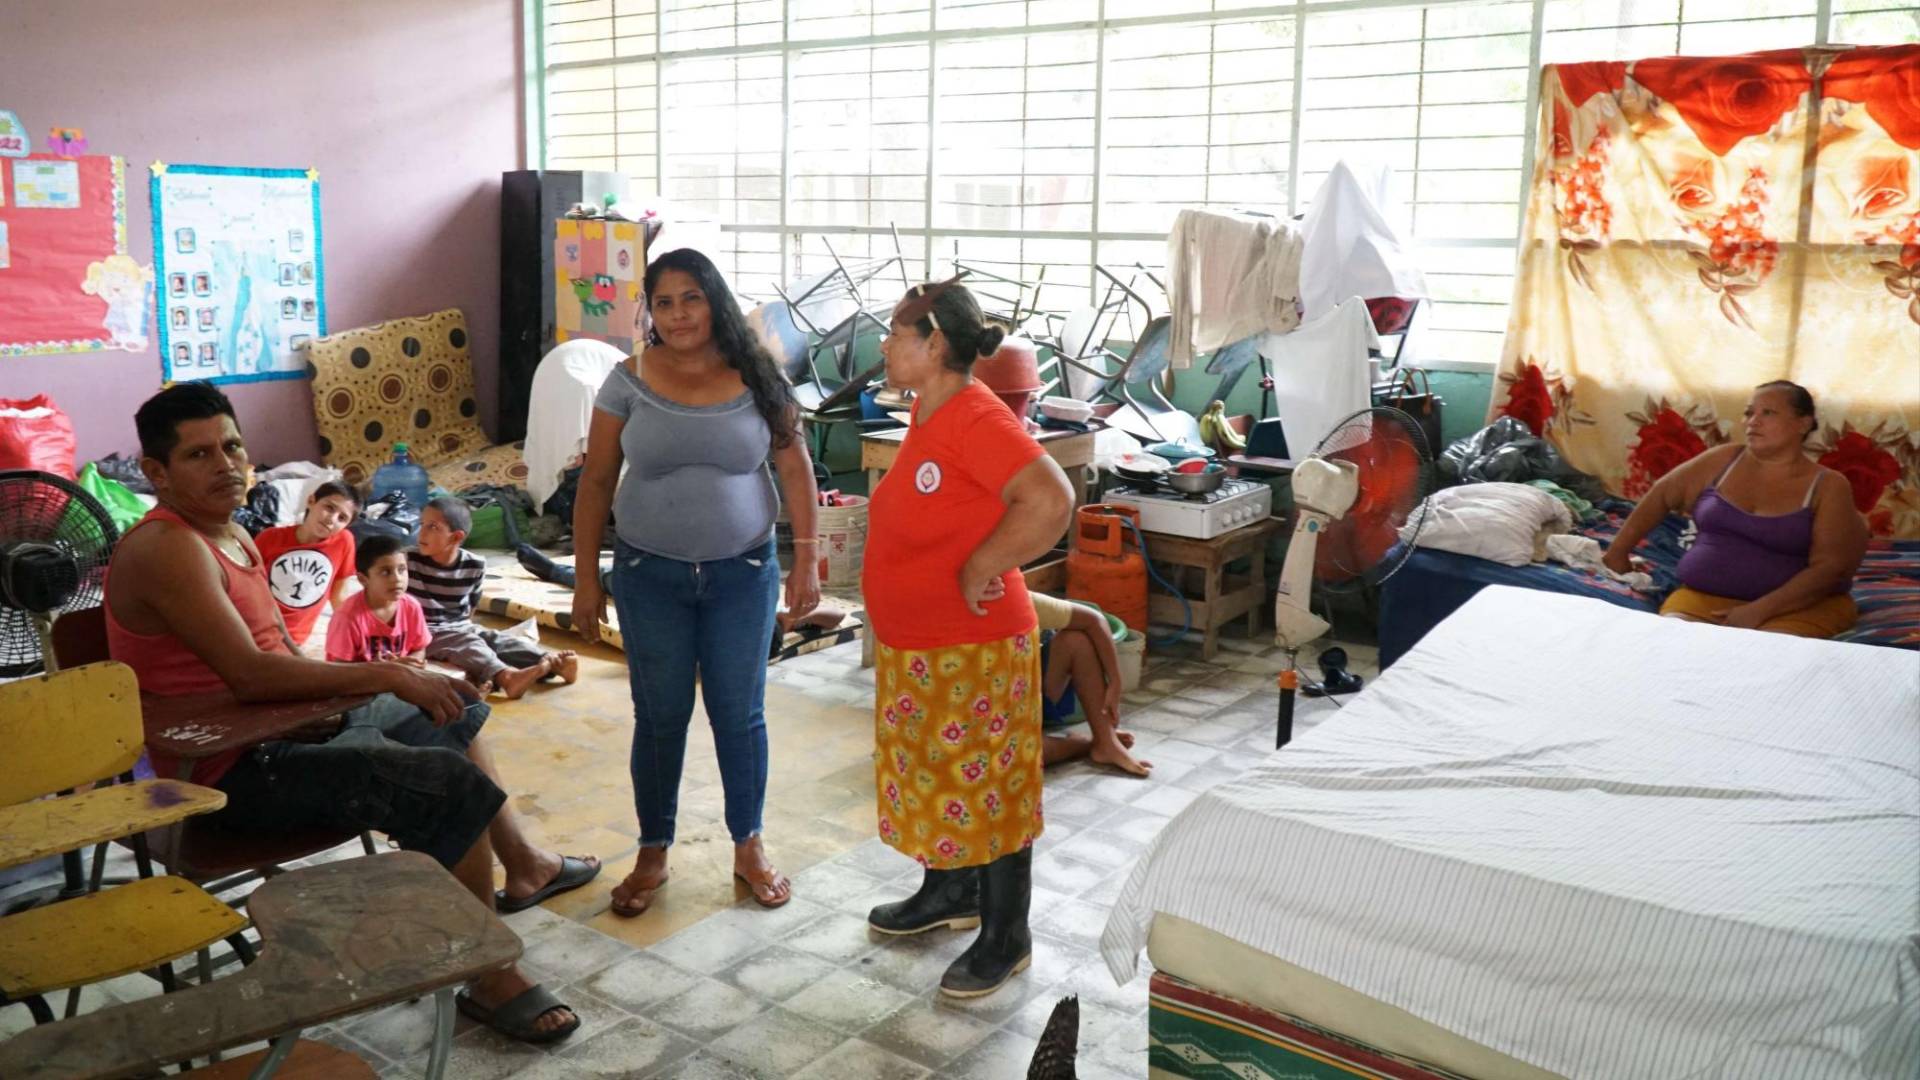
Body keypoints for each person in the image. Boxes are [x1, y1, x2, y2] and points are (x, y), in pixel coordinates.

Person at [105, 384, 600, 1043]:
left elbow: (274, 652)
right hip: (218, 775)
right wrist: (386, 674)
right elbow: (251, 675)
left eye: (232, 446)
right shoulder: (169, 548)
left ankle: (525, 863)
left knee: (450, 704)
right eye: (199, 454)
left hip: (278, 731)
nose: (226, 464)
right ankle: (489, 974)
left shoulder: (232, 532)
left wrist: (375, 687)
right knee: (443, 782)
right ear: (156, 473)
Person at [570, 248, 822, 915]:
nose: (678, 314)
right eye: (664, 302)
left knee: (740, 713)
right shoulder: (626, 381)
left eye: (692, 298)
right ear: (648, 311)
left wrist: (807, 559)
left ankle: (749, 846)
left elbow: (795, 468)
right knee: (659, 716)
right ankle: (654, 851)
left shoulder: (757, 374)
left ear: (714, 300)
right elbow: (596, 481)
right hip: (648, 575)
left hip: (743, 572)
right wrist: (585, 582)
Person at [860, 278, 1074, 998]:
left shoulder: (977, 416)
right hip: (923, 646)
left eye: (896, 331)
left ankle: (1007, 934)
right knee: (938, 777)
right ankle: (950, 892)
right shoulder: (931, 408)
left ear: (936, 343)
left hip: (973, 646)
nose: (884, 343)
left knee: (990, 788)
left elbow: (1050, 498)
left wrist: (987, 562)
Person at [1603, 380, 1867, 637]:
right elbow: (1661, 495)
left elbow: (1829, 569)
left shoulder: (1828, 485)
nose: (1753, 421)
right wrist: (1618, 553)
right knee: (1671, 646)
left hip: (1799, 608)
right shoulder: (1723, 459)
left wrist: (1757, 611)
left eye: (1768, 413)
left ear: (1803, 423)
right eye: (1749, 413)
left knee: (1763, 658)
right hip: (1703, 599)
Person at [411, 497, 579, 698]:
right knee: (467, 645)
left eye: (433, 527)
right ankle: (506, 677)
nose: (422, 532)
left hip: (459, 626)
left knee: (495, 640)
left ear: (456, 537)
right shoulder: (408, 561)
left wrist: (468, 630)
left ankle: (554, 663)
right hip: (424, 631)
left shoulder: (475, 565)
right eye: (422, 524)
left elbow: (470, 608)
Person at [1031, 591, 1151, 777]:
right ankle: (1082, 745)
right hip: (993, 716)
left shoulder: (1020, 599)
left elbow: (1094, 619)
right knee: (1017, 756)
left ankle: (1106, 741)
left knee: (1076, 639)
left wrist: (1115, 682)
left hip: (1032, 697)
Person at [253, 480, 357, 648]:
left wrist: (357, 630)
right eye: (329, 507)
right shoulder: (269, 537)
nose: (332, 519)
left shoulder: (344, 541)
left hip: (295, 639)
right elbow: (247, 588)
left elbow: (339, 596)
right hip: (257, 629)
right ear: (311, 501)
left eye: (342, 518)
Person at [326, 533, 431, 665]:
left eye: (402, 569)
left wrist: (412, 662)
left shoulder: (412, 607)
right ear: (363, 579)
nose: (397, 579)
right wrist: (375, 672)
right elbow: (338, 670)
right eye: (385, 572)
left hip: (397, 678)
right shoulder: (347, 617)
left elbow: (420, 648)